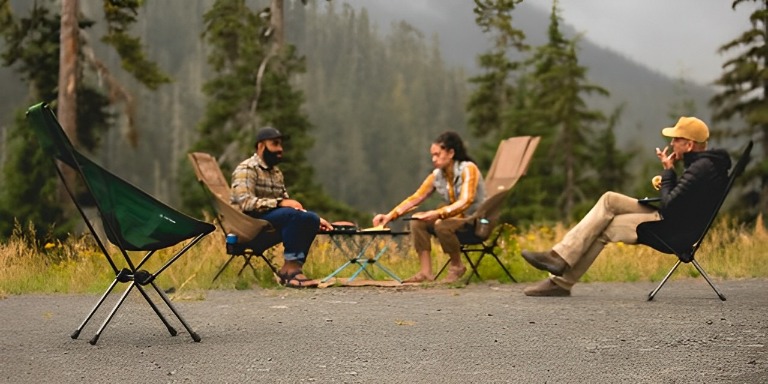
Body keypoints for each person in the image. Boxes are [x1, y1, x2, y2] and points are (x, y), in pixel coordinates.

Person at [520, 116, 732, 296]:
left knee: (607, 227)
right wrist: (669, 176)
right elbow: (686, 200)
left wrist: (668, 172)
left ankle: (560, 281)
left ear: (689, 145)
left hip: (671, 229)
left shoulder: (700, 168)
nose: (672, 142)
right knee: (609, 199)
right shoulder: (705, 165)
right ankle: (558, 258)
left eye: (676, 139)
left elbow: (669, 205)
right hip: (674, 220)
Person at [373, 131, 486, 283]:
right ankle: (426, 272)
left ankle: (457, 266)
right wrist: (389, 216)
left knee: (441, 224)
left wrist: (439, 213)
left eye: (437, 154)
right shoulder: (438, 175)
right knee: (417, 221)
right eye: (432, 155)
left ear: (451, 153)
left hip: (475, 221)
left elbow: (466, 200)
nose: (434, 159)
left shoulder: (468, 169)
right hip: (453, 220)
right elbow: (416, 197)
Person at [231, 126, 333, 287]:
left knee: (310, 218)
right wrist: (279, 203)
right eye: (275, 144)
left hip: (272, 219)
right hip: (249, 224)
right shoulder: (247, 169)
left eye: (280, 145)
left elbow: (288, 205)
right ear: (261, 146)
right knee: (291, 215)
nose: (280, 149)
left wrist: (314, 218)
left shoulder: (276, 173)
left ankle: (292, 269)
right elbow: (245, 203)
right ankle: (291, 271)